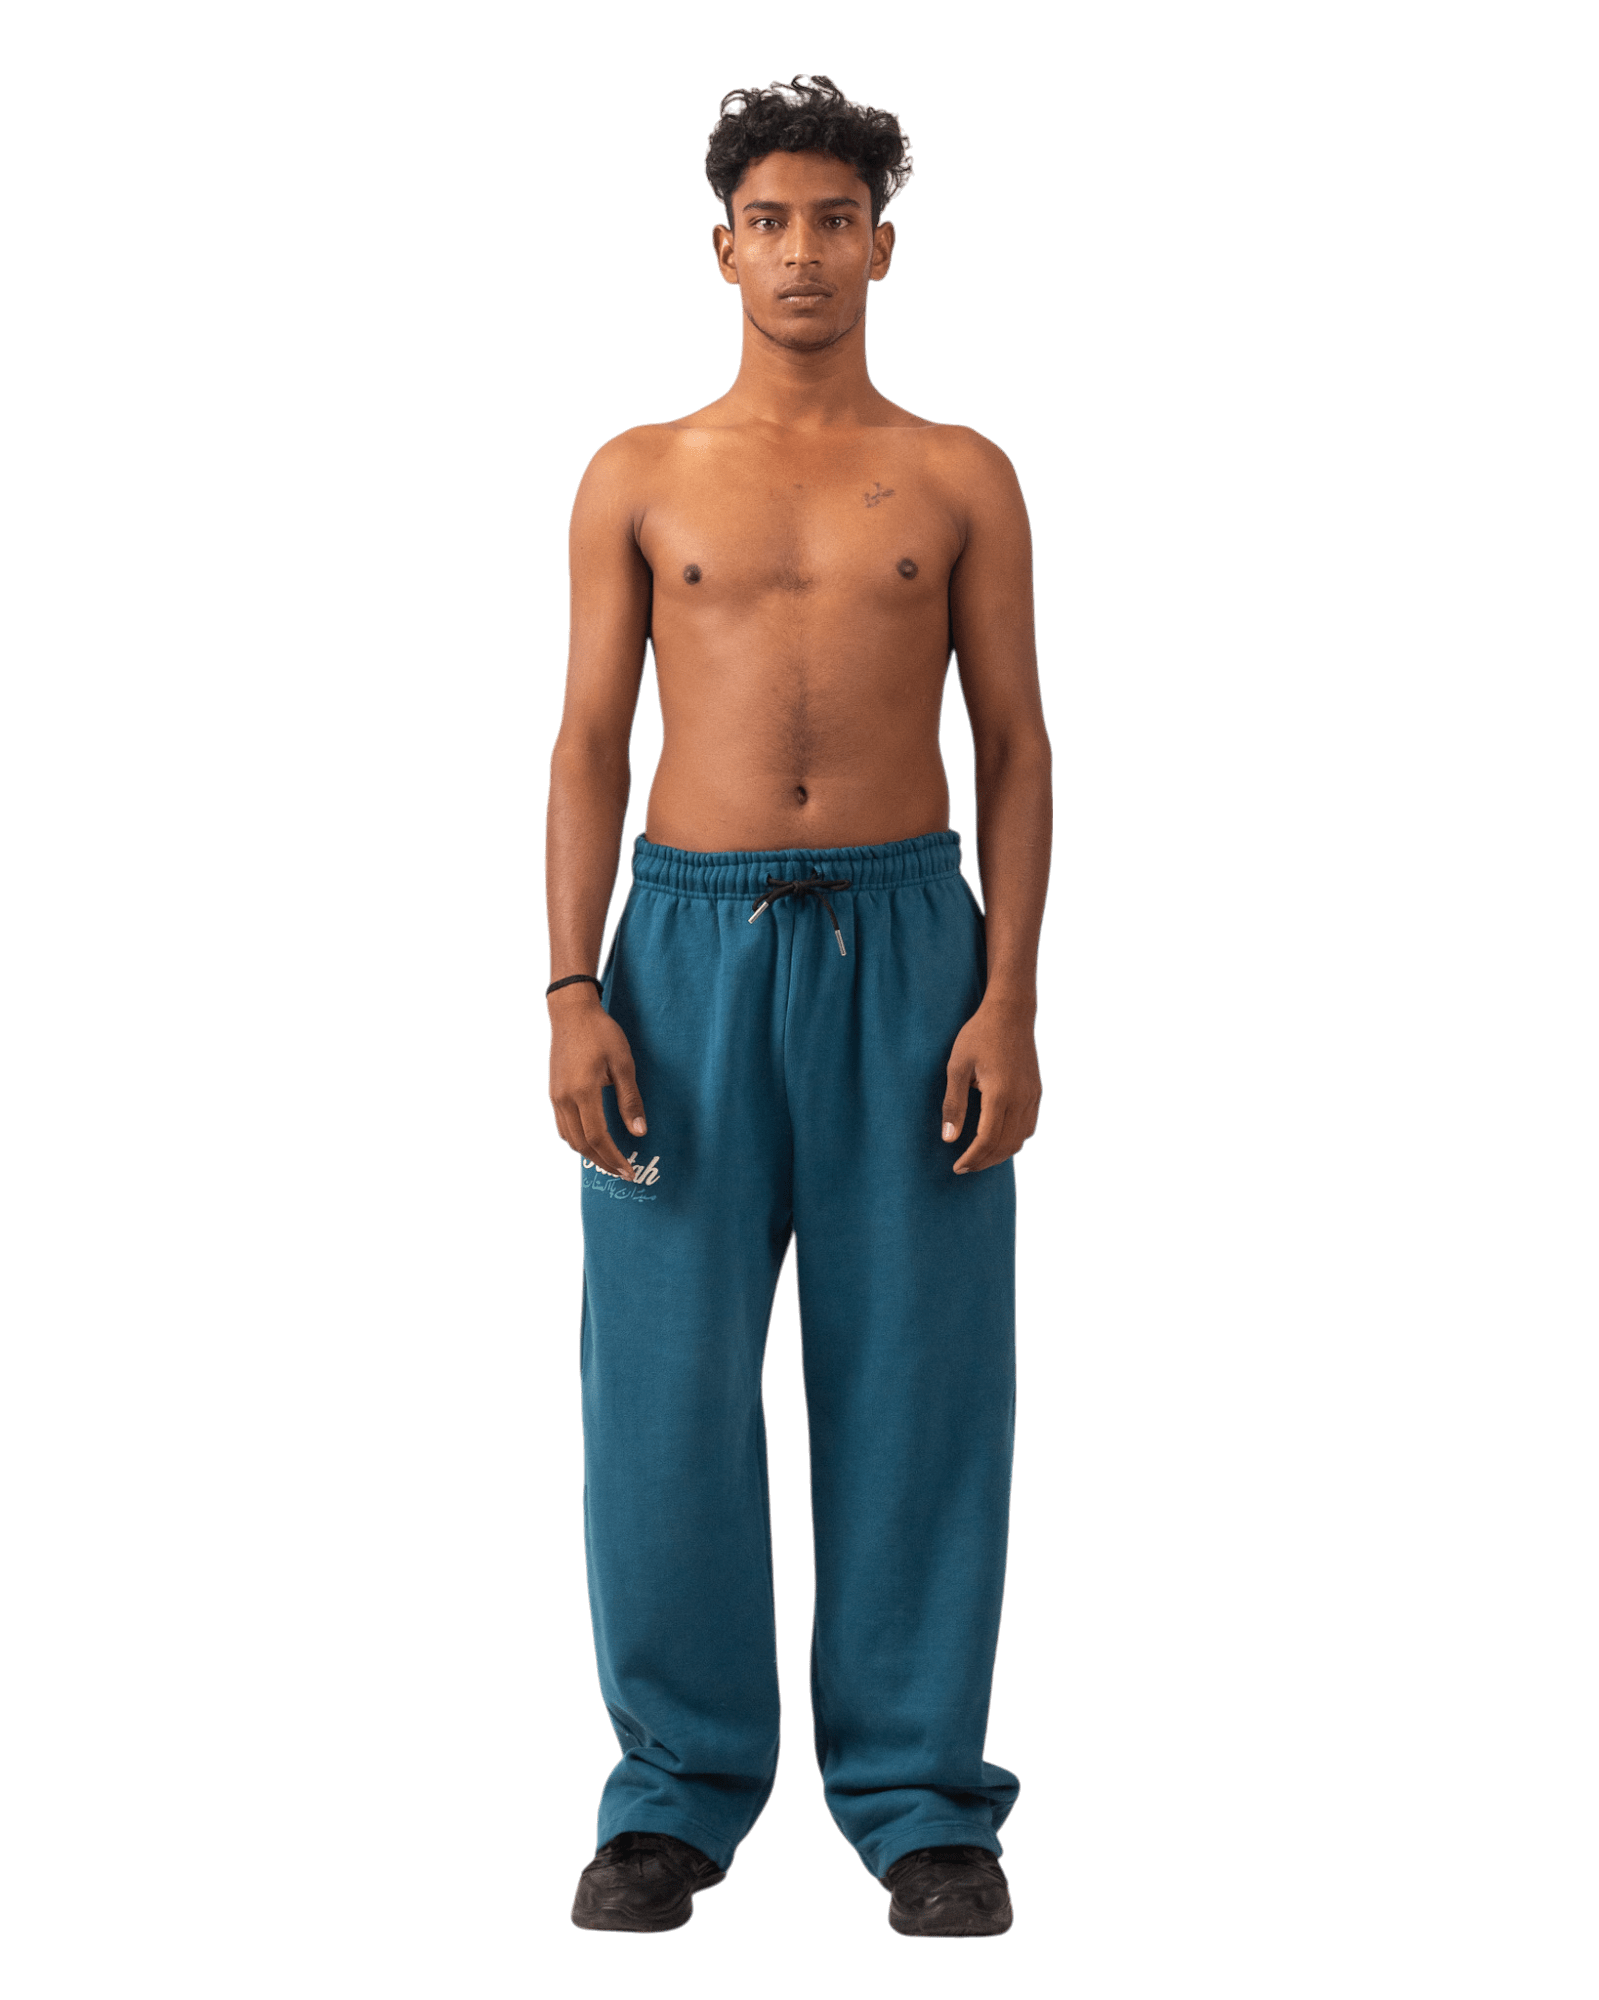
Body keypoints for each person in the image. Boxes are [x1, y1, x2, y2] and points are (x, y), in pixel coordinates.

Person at [546, 75, 1052, 1939]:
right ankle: (672, 1795)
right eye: (769, 220)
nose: (803, 251)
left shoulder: (957, 473)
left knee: (917, 1380)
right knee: (663, 1390)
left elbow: (1014, 746)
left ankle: (920, 1802)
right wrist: (571, 988)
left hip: (908, 949)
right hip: (678, 953)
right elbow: (588, 741)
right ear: (723, 249)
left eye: (835, 220)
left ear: (881, 247)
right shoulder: (637, 472)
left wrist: (1006, 997)